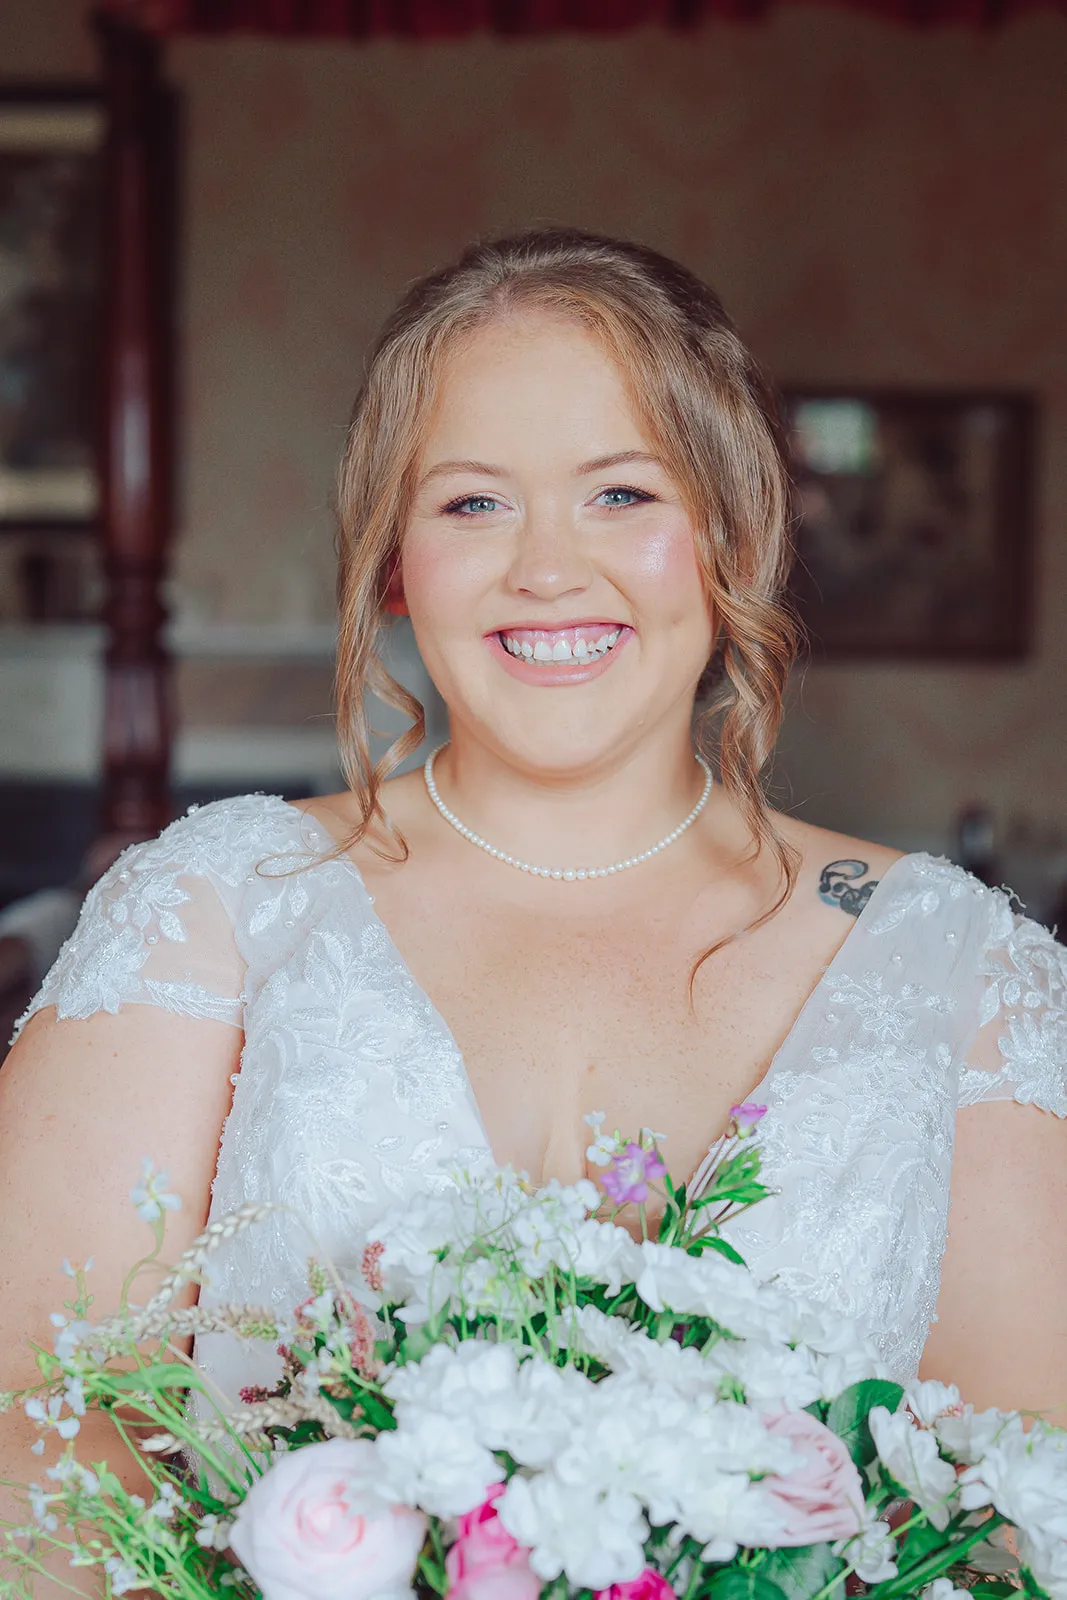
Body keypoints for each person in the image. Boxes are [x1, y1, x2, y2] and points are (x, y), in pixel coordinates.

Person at [2, 231, 1065, 1559]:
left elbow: (1015, 1516)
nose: (546, 569)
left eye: (621, 494)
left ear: (730, 532)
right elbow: (28, 1437)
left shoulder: (957, 974)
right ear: (394, 560)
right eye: (471, 504)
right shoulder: (216, 913)